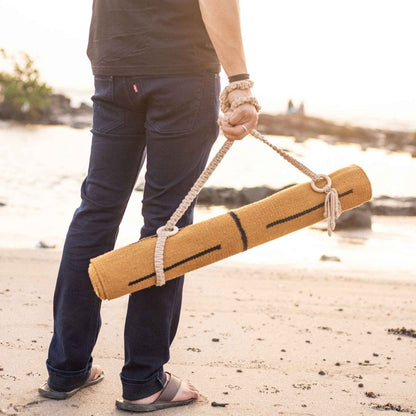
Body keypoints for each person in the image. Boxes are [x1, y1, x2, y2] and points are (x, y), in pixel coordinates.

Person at [38, 0, 258, 412]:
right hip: (180, 67)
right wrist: (240, 83)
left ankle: (66, 370)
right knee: (167, 224)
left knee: (97, 210)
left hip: (114, 62)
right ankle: (144, 381)